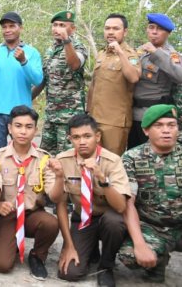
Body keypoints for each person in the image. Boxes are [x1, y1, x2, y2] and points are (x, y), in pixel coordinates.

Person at [55, 113, 131, 286]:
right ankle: (90, 251)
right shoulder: (63, 160)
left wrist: (102, 178)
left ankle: (106, 266)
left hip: (108, 218)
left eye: (87, 136)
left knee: (114, 222)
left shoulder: (112, 161)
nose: (82, 142)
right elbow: (60, 204)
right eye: (76, 137)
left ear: (97, 136)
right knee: (69, 273)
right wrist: (68, 245)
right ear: (70, 139)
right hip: (82, 219)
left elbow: (120, 207)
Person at [0, 105, 62, 280]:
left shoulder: (44, 159)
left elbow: (54, 197)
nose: (23, 131)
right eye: (18, 126)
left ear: (36, 130)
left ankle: (37, 256)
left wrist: (59, 177)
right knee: (2, 265)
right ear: (9, 128)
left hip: (32, 215)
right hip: (7, 215)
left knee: (51, 223)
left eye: (29, 127)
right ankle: (10, 242)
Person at [118, 104, 182, 283]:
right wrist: (140, 245)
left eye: (171, 125)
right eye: (159, 126)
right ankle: (158, 263)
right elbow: (128, 204)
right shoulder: (132, 158)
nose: (166, 131)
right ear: (146, 131)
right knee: (130, 255)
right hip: (153, 227)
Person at [0, 11, 43, 152]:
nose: (7, 30)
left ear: (20, 28)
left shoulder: (32, 53)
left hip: (22, 114)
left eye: (11, 26)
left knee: (22, 153)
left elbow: (38, 79)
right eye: (4, 27)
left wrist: (24, 61)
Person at [32, 10, 88, 155]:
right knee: (45, 155)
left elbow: (75, 64)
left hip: (69, 116)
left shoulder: (78, 46)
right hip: (51, 114)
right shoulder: (51, 49)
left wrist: (66, 41)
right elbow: (44, 79)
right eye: (55, 25)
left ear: (73, 29)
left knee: (67, 157)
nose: (57, 29)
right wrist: (27, 98)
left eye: (62, 25)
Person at [87, 13, 141, 155]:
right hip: (94, 119)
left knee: (111, 165)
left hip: (115, 123)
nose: (110, 32)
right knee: (93, 163)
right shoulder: (102, 54)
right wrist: (88, 112)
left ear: (125, 31)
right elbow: (94, 85)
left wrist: (120, 53)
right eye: (107, 28)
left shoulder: (130, 55)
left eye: (116, 28)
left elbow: (134, 77)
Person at [129, 13, 182, 150]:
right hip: (133, 115)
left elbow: (179, 76)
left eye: (159, 29)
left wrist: (156, 53)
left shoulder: (172, 55)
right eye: (151, 27)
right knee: (133, 155)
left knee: (151, 158)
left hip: (155, 116)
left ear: (168, 33)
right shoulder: (139, 51)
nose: (154, 32)